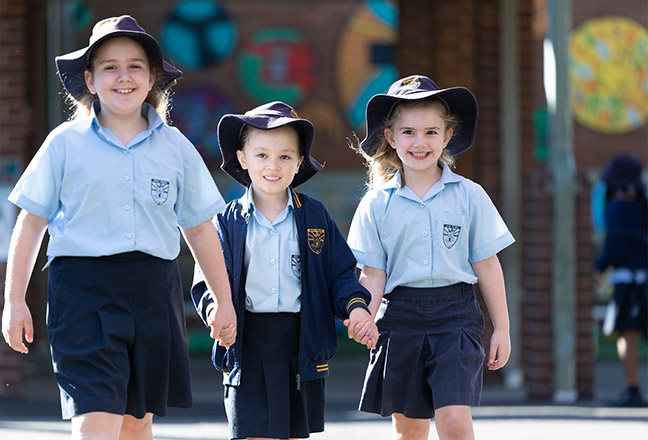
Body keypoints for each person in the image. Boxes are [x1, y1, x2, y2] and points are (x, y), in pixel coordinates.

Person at [1, 16, 237, 440]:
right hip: (81, 294)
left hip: (153, 292)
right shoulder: (63, 143)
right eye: (109, 66)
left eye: (135, 67)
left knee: (135, 423)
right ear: (90, 80)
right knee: (96, 421)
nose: (122, 77)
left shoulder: (177, 147)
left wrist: (223, 299)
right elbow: (31, 221)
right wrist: (14, 301)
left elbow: (200, 229)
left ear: (151, 81)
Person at [191, 101, 379, 440]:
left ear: (300, 162)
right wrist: (215, 309)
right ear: (243, 158)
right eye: (261, 155)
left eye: (285, 156)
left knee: (294, 433)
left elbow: (340, 274)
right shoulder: (226, 221)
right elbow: (207, 276)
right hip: (246, 342)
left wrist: (357, 309)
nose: (273, 166)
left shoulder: (315, 218)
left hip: (301, 342)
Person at [347, 75, 515, 439]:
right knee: (410, 429)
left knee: (454, 420)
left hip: (455, 317)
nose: (419, 142)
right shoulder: (376, 204)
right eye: (408, 132)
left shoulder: (470, 196)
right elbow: (373, 274)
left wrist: (502, 328)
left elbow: (487, 264)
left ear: (447, 137)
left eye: (430, 132)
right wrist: (366, 315)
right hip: (399, 318)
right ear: (391, 137)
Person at [594, 154, 647, 408]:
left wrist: (600, 266)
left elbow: (615, 243)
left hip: (627, 280)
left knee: (626, 335)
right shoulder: (643, 202)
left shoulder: (616, 204)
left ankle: (633, 388)